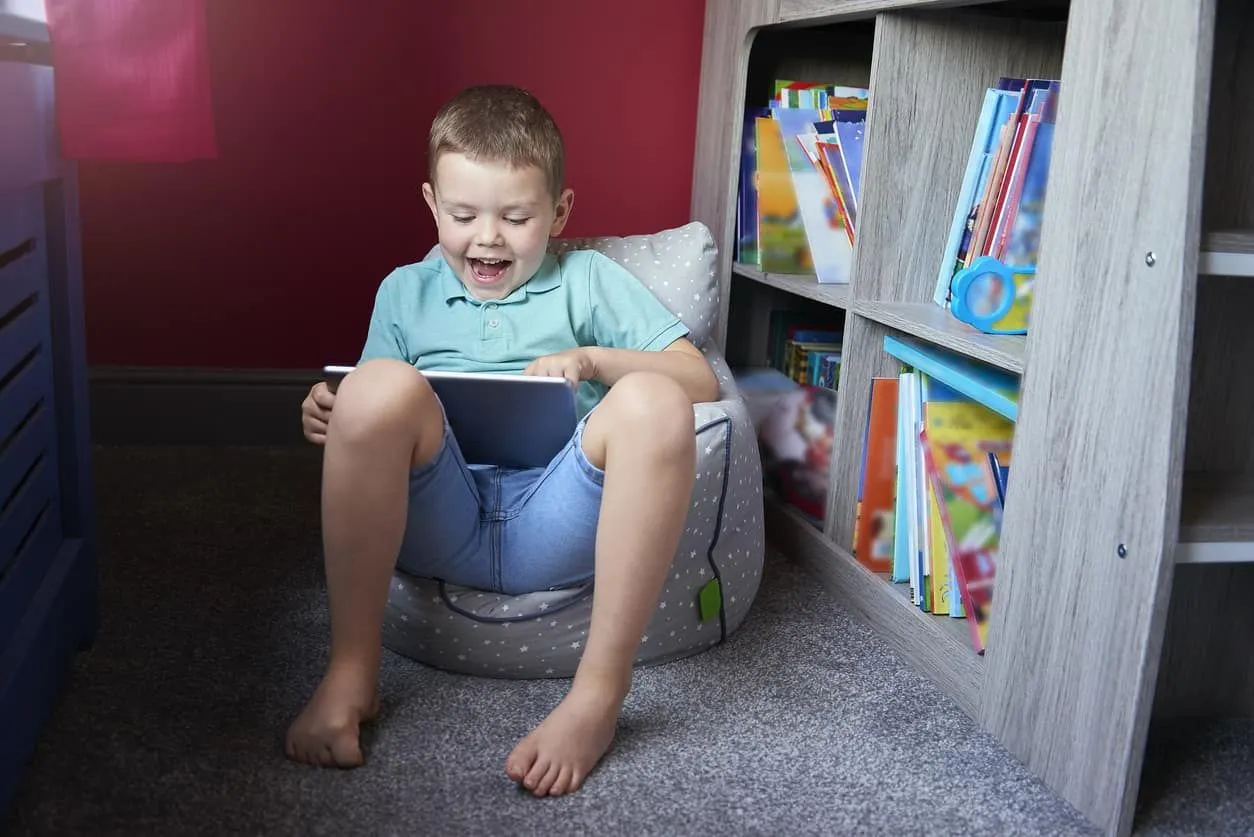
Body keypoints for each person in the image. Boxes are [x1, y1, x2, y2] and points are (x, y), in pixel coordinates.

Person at [286, 84, 719, 798]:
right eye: (462, 215)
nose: (487, 237)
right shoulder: (405, 291)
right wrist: (331, 409)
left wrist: (593, 359)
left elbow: (698, 378)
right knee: (377, 385)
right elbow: (368, 417)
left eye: (516, 217)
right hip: (436, 517)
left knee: (656, 400)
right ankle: (350, 673)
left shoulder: (586, 280)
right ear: (431, 206)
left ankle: (598, 693)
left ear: (560, 211)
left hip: (559, 519)